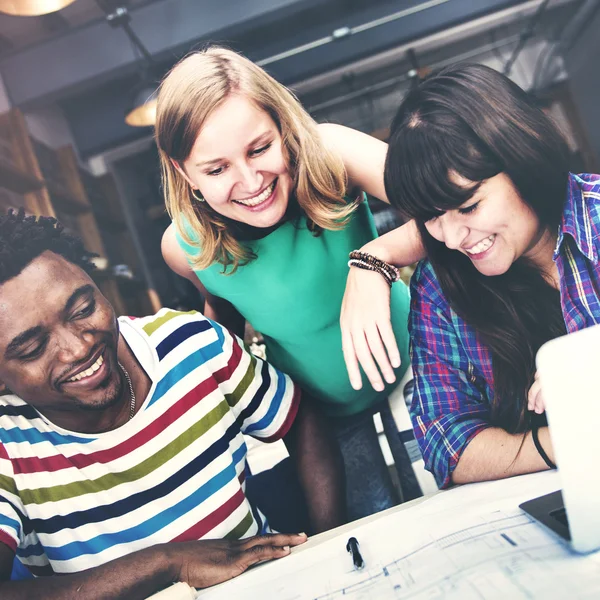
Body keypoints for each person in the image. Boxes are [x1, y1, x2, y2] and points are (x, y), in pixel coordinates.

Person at [0, 209, 345, 598]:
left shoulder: (189, 343)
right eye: (32, 348)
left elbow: (298, 416)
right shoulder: (6, 444)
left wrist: (327, 548)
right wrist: (168, 563)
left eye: (82, 310)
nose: (79, 347)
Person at [156, 46, 425, 519]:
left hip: (420, 372)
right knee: (377, 533)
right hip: (325, 419)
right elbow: (225, 311)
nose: (250, 180)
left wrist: (375, 259)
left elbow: (454, 208)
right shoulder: (183, 248)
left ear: (283, 126)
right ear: (185, 174)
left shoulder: (333, 152)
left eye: (259, 148)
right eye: (216, 169)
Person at [368, 62, 599, 488]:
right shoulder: (439, 288)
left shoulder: (596, 217)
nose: (452, 239)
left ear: (522, 161)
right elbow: (446, 443)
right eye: (430, 218)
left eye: (469, 206)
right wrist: (572, 440)